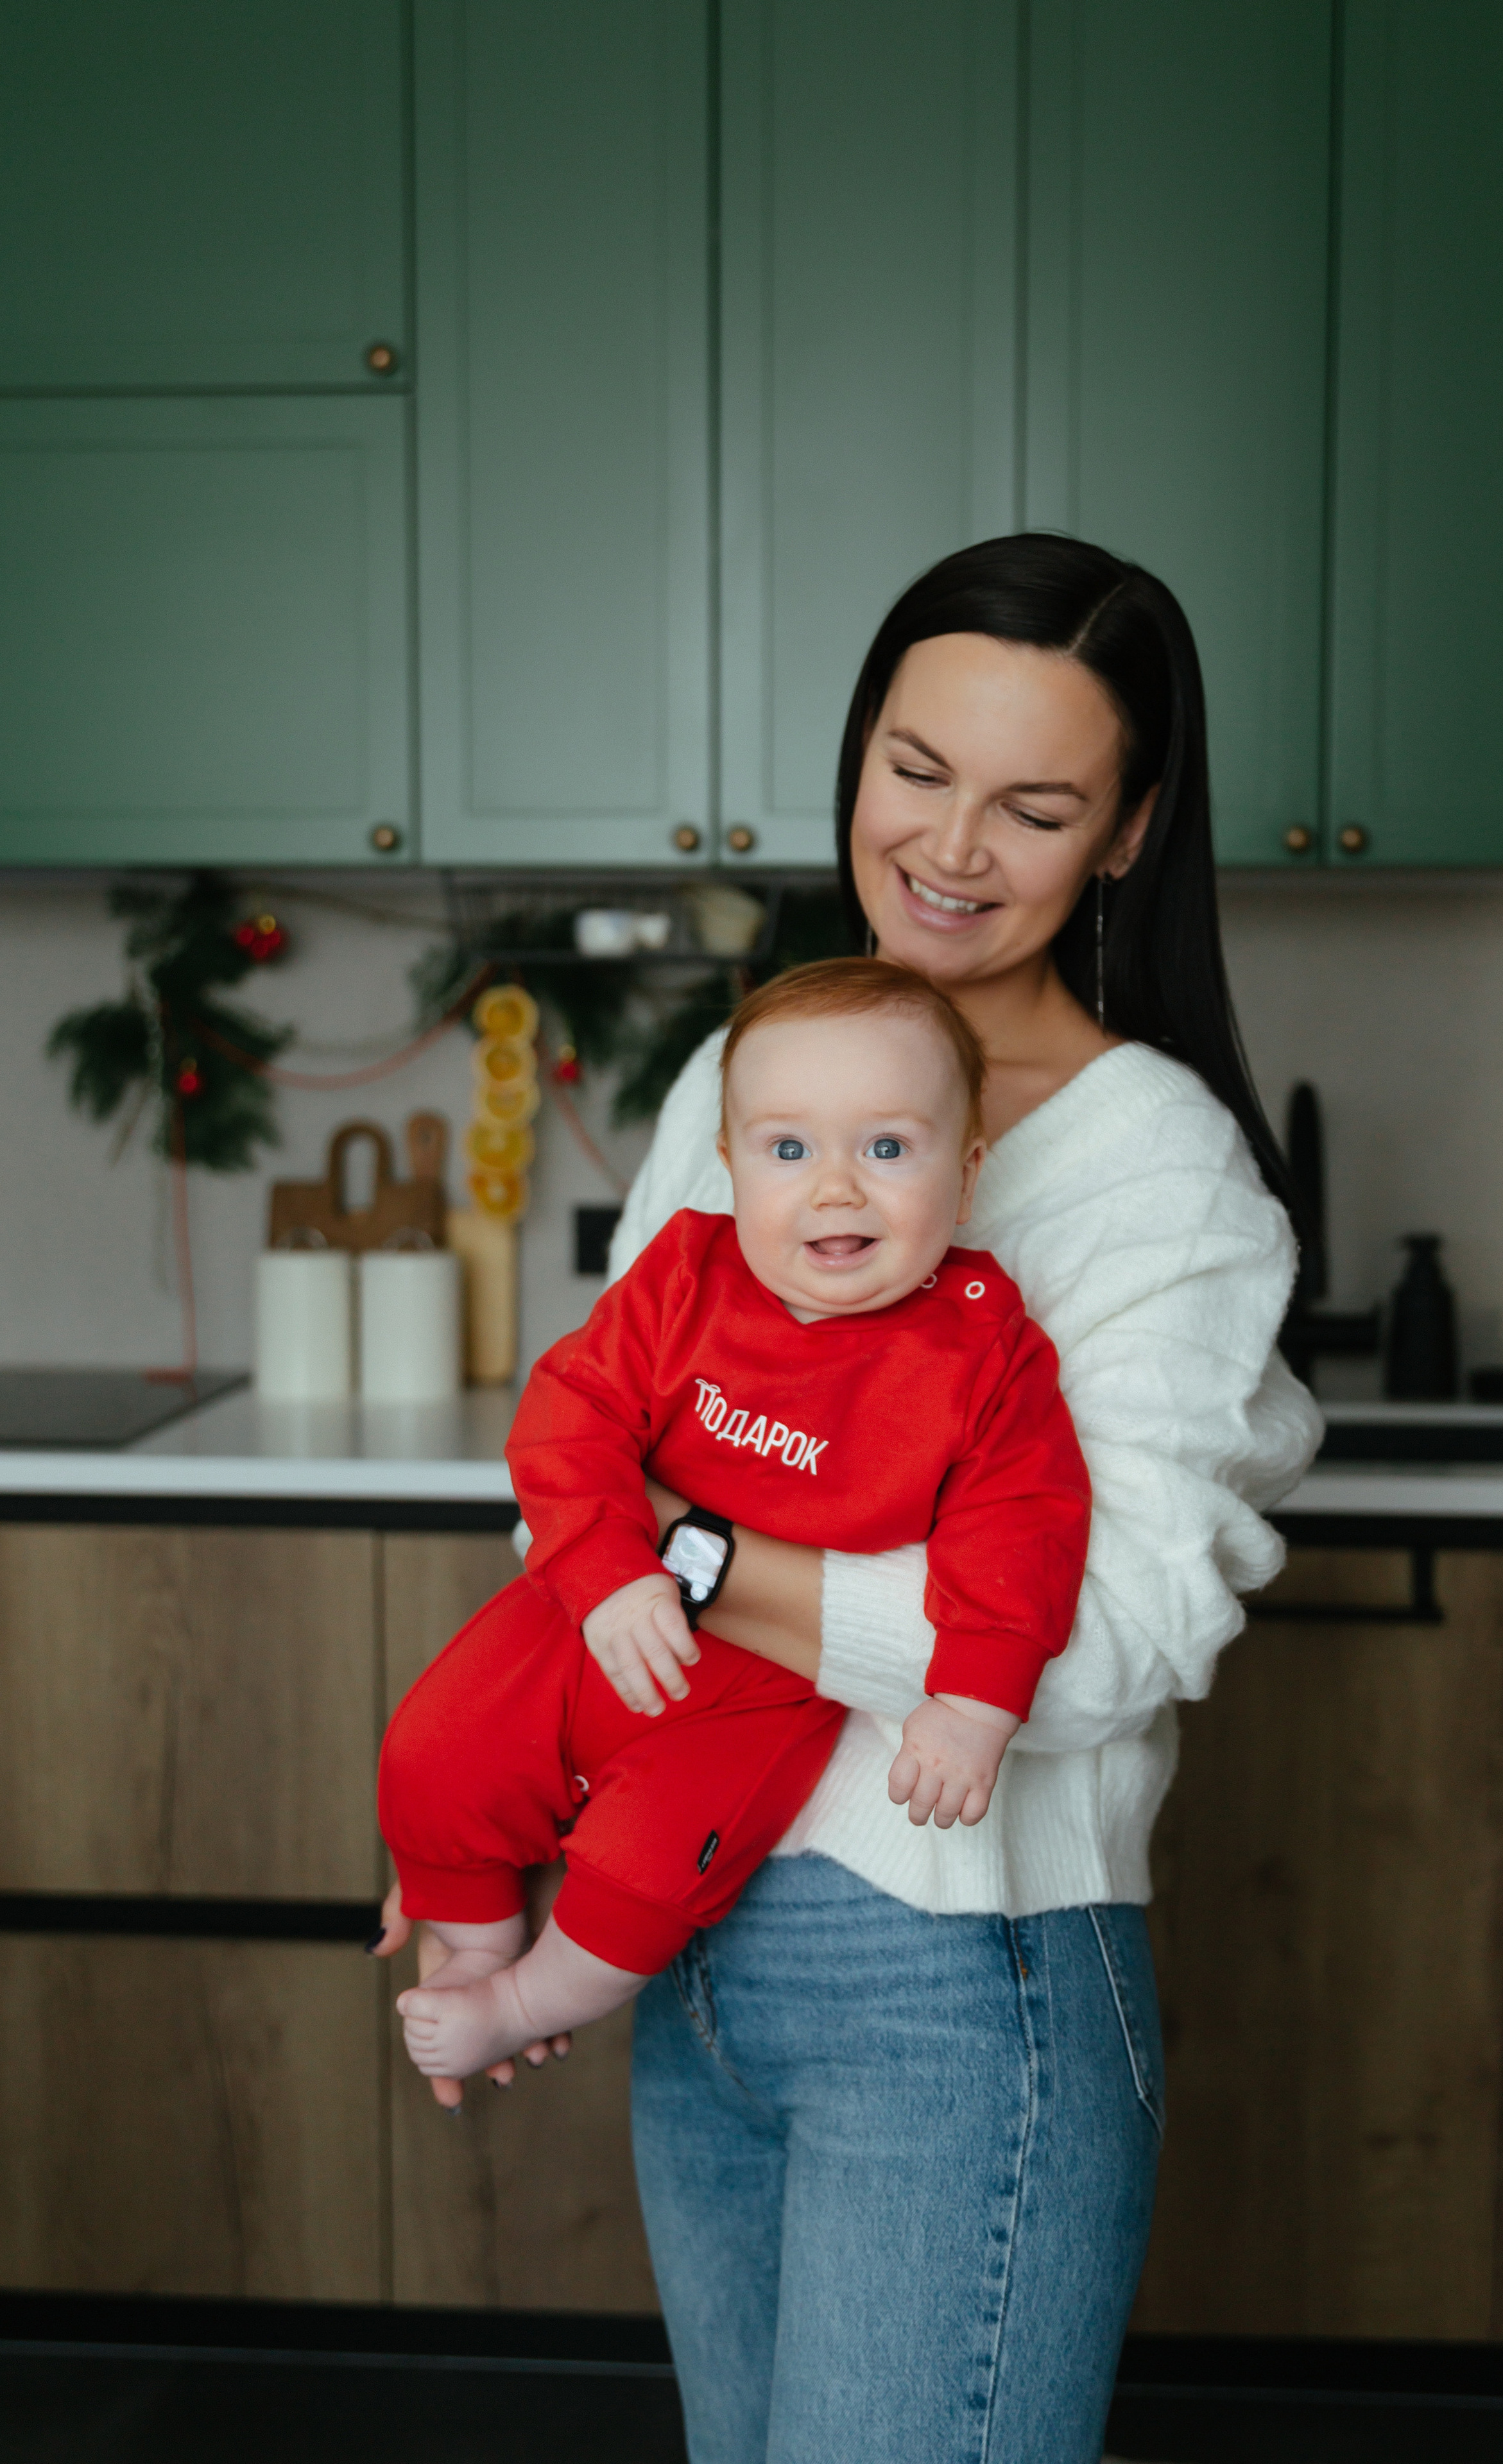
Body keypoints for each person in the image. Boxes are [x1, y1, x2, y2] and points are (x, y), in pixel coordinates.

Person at [376, 532, 1322, 2463]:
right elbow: (586, 1465)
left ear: (1128, 834)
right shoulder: (750, 1072)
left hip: (957, 1980)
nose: (953, 847)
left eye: (1036, 804)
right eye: (916, 766)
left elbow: (1094, 1649)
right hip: (691, 1948)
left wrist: (700, 1569)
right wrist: (517, 1809)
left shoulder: (1163, 1178)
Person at [378, 959, 1092, 2089]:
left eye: (889, 1149)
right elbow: (571, 1421)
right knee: (430, 1749)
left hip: (754, 1699)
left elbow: (1024, 1524)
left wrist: (974, 1698)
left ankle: (521, 2000)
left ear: (967, 1172)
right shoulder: (684, 1275)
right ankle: (473, 1940)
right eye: (789, 1149)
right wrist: (610, 1574)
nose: (836, 1190)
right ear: (731, 1165)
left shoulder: (985, 1348)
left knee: (647, 1880)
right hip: (590, 1621)